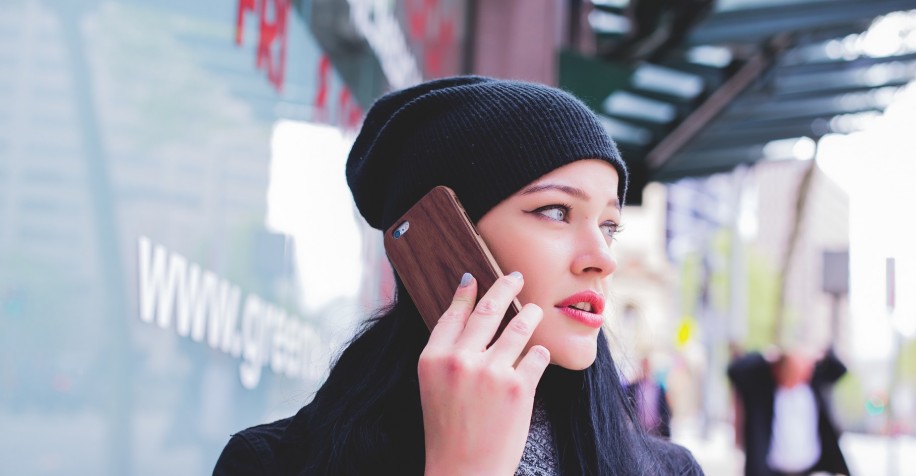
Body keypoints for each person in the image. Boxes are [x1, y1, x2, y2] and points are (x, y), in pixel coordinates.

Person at [213, 76, 704, 475]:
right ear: (441, 238)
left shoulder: (667, 470)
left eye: (609, 226)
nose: (603, 258)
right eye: (555, 211)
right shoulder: (273, 464)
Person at [727, 347, 850, 476]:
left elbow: (840, 369)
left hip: (808, 468)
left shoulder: (813, 384)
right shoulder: (762, 388)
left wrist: (821, 352)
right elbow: (734, 370)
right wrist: (765, 357)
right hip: (770, 470)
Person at [626, 357, 672, 439]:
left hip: (656, 431)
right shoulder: (633, 387)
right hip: (638, 431)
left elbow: (665, 411)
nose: (645, 369)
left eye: (647, 367)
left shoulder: (658, 388)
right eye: (644, 366)